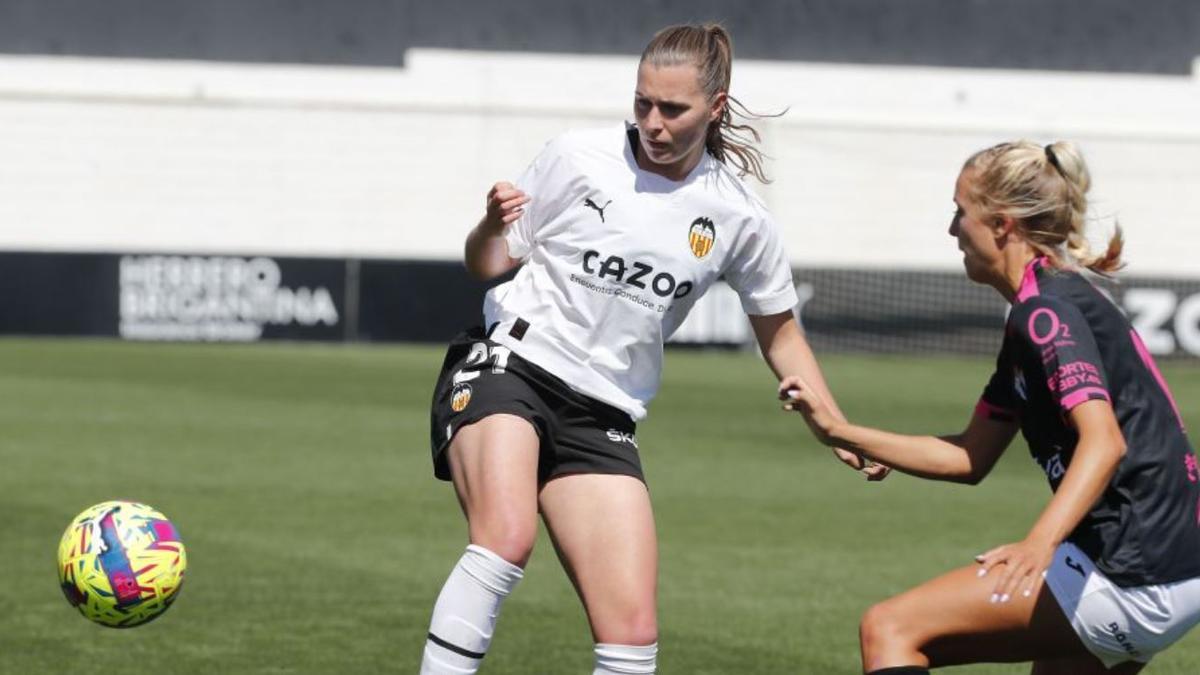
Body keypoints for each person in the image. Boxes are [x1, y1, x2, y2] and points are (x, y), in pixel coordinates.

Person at [419, 22, 882, 675]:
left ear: (714, 108)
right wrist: (491, 224)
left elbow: (780, 332)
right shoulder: (577, 156)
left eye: (673, 108)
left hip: (603, 410)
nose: (653, 123)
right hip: (511, 364)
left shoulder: (738, 215)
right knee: (505, 538)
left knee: (631, 632)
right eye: (642, 104)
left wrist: (833, 423)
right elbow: (487, 262)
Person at [781, 139, 1200, 674]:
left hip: (1130, 567)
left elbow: (1104, 441)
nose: (953, 229)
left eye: (961, 212)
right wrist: (839, 432)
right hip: (1171, 567)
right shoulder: (1044, 306)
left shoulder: (1046, 312)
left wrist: (1037, 544)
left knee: (889, 629)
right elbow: (969, 456)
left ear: (1001, 225)